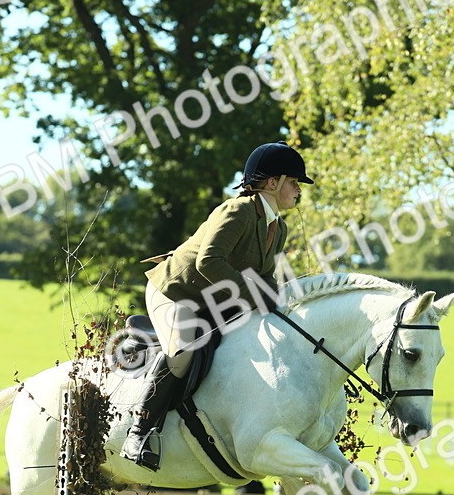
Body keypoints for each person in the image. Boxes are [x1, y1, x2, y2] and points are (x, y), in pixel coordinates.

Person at [121, 141, 313, 470]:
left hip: (213, 300)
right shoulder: (237, 211)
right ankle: (139, 431)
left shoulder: (278, 228)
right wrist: (256, 295)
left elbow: (264, 277)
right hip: (176, 291)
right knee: (184, 349)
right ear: (273, 183)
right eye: (294, 182)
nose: (298, 189)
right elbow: (209, 262)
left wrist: (285, 303)